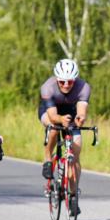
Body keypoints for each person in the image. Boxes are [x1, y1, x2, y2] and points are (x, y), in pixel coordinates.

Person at [38, 59, 91, 209]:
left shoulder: (84, 87)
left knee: (75, 154)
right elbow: (53, 115)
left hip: (71, 112)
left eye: (70, 82)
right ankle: (48, 159)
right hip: (51, 112)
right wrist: (61, 119)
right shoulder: (48, 87)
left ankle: (73, 195)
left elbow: (81, 109)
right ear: (57, 79)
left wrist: (80, 118)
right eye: (62, 82)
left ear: (75, 80)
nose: (66, 85)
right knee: (54, 127)